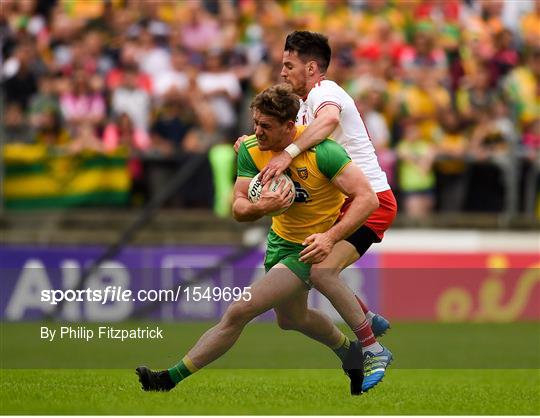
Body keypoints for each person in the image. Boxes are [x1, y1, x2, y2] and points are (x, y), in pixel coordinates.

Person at [136, 84, 391, 395]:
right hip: (278, 241)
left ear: (290, 126)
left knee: (239, 311)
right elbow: (238, 208)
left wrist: (329, 237)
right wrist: (260, 207)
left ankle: (167, 379)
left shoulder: (324, 152)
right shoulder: (251, 148)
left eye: (266, 126)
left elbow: (368, 199)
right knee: (292, 319)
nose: (258, 131)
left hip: (307, 249)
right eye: (255, 123)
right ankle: (348, 352)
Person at [238, 31, 397, 391]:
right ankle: (366, 318)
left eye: (289, 65)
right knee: (313, 264)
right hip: (351, 199)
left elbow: (325, 125)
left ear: (311, 67)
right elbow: (290, 133)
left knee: (323, 271)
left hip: (370, 199)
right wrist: (251, 142)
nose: (282, 72)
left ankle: (372, 348)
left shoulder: (326, 93)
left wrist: (287, 155)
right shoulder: (306, 103)